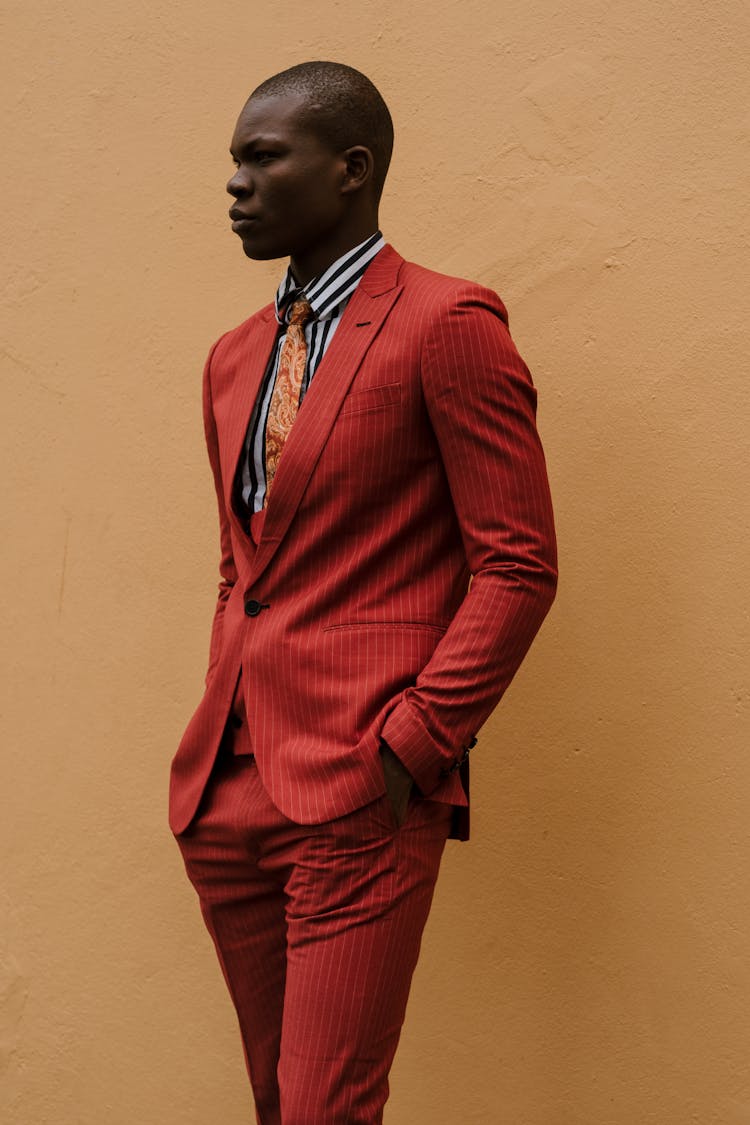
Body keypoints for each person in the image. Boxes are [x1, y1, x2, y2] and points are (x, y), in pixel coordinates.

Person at [170, 60, 557, 1125]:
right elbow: (242, 566)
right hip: (227, 793)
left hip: (359, 786)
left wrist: (414, 745)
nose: (237, 184)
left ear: (351, 170)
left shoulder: (449, 326)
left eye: (262, 157)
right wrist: (218, 729)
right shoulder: (232, 358)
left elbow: (518, 561)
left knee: (326, 1111)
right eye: (233, 163)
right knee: (276, 1101)